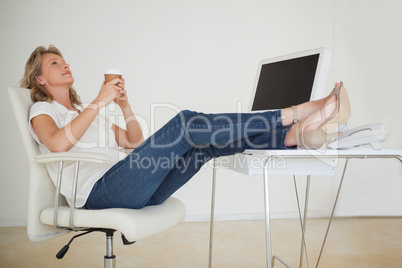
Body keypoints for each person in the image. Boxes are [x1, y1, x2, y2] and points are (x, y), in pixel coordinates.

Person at [20, 45, 351, 210]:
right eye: (54, 63)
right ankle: (294, 114)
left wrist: (123, 105)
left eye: (63, 61)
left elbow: (135, 144)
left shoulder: (81, 110)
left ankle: (290, 136)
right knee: (185, 124)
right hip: (97, 194)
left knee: (200, 144)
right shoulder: (42, 109)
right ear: (40, 79)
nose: (63, 65)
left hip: (127, 185)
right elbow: (58, 145)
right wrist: (98, 101)